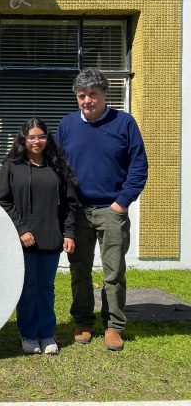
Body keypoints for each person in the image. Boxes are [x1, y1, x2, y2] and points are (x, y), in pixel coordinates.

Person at [56, 68, 148, 351]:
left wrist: (121, 202)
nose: (87, 100)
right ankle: (83, 322)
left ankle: (113, 326)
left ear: (105, 94)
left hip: (111, 209)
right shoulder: (67, 125)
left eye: (93, 94)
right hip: (78, 211)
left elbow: (138, 166)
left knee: (114, 271)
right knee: (79, 269)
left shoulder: (125, 123)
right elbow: (58, 166)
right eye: (82, 95)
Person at [0, 118, 79, 355]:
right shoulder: (12, 166)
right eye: (31, 137)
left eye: (41, 136)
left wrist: (69, 232)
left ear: (47, 138)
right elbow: (3, 201)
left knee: (46, 288)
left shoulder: (58, 166)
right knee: (28, 287)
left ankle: (47, 333)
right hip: (24, 240)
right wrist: (22, 230)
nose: (36, 141)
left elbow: (71, 204)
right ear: (23, 139)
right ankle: (29, 334)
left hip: (52, 237)